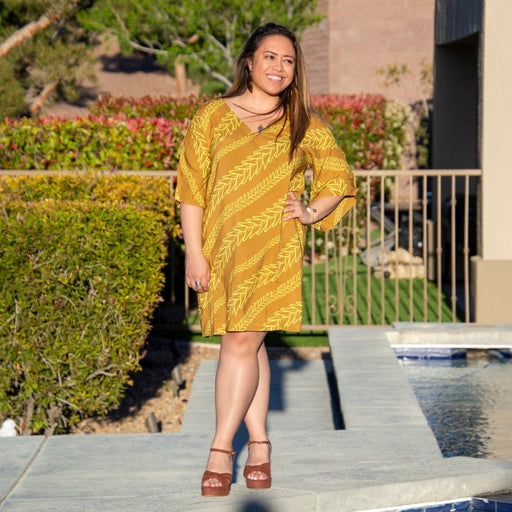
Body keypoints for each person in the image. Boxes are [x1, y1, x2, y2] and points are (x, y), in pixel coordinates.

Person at [176, 22, 357, 497]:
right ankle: (259, 444)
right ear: (250, 62)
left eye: (289, 60)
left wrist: (310, 211)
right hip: (222, 250)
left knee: (240, 341)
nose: (279, 67)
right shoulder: (212, 117)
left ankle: (220, 450)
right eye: (271, 57)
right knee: (248, 345)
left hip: (275, 249)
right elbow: (191, 189)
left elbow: (338, 178)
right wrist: (194, 252)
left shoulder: (303, 123)